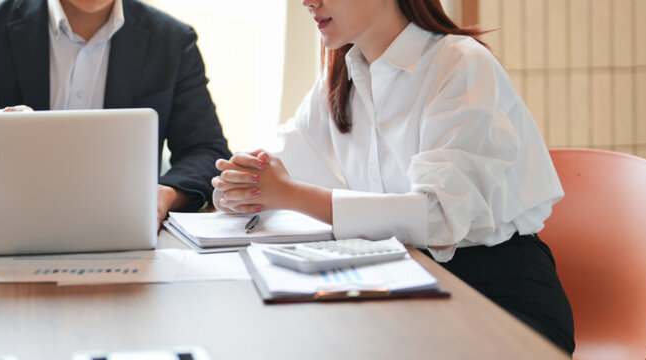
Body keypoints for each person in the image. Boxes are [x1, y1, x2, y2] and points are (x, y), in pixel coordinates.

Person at [212, 0, 575, 354]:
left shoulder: (460, 63)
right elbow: (272, 166)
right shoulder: (341, 78)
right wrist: (236, 186)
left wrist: (288, 194)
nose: (309, 2)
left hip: (496, 296)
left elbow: (437, 217)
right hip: (402, 287)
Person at [0, 0, 231, 225]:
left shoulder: (172, 41)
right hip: (1, 236)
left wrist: (164, 194)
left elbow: (206, 151)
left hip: (122, 239)